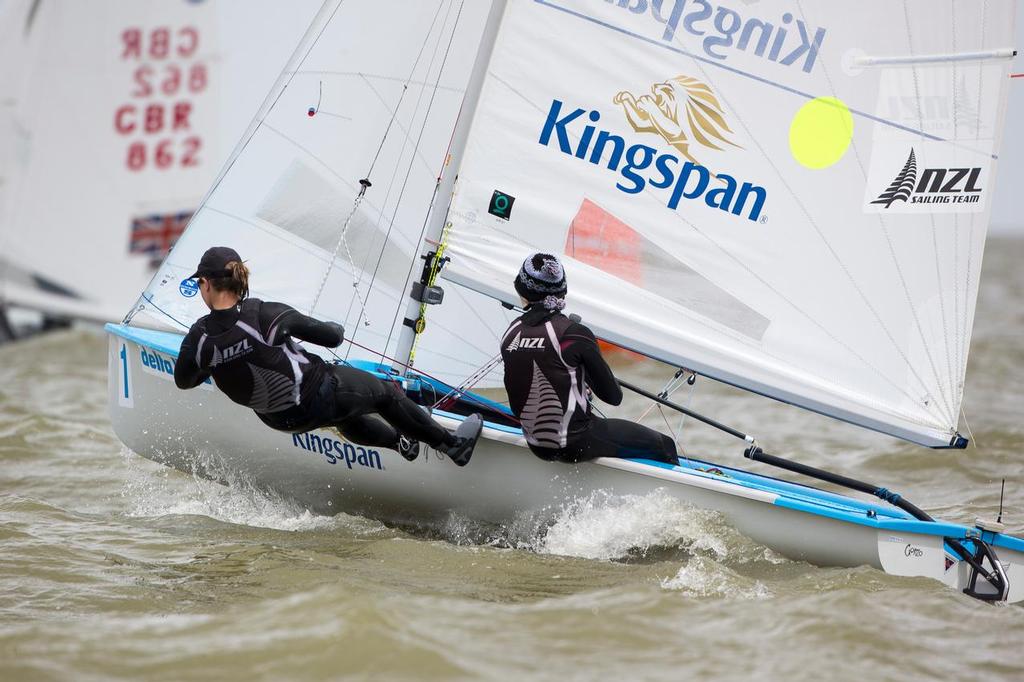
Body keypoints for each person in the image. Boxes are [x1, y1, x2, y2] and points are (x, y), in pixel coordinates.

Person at [173, 246, 482, 465]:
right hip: (317, 394)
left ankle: (400, 443)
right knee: (385, 394)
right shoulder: (265, 315)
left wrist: (220, 361)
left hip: (280, 420)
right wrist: (334, 326)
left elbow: (185, 381)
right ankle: (453, 446)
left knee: (346, 416)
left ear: (206, 283)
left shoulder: (198, 339)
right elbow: (332, 337)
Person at [500, 252, 678, 466]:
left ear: (521, 290)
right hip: (577, 443)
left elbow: (520, 398)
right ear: (562, 291)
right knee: (665, 445)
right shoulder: (573, 334)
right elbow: (613, 397)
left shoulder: (511, 333)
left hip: (536, 445)